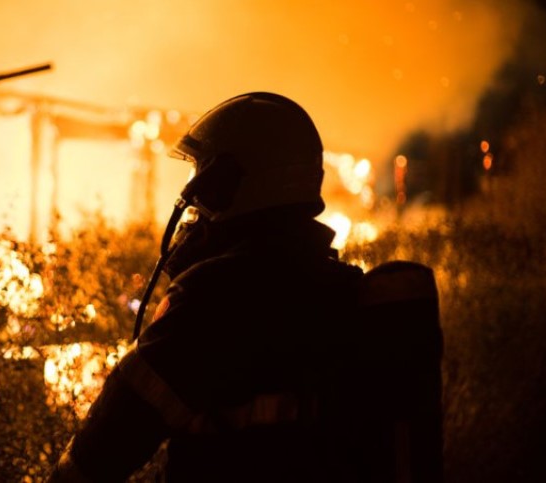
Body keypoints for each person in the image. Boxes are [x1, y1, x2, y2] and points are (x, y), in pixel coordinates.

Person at [49, 92, 366, 482]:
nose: (194, 195)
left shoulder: (214, 297)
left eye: (204, 174)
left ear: (228, 184)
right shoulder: (342, 287)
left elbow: (109, 444)